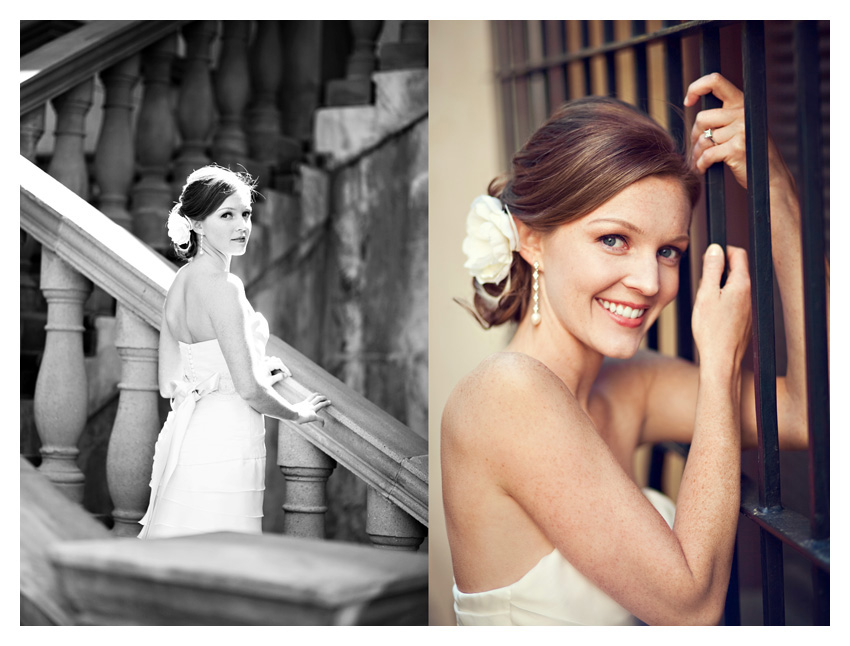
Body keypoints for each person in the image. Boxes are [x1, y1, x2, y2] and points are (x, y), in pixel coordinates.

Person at [441, 73, 826, 625]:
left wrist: (778, 195)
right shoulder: (507, 393)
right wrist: (719, 363)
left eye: (669, 251)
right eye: (614, 239)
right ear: (531, 239)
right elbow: (689, 606)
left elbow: (810, 413)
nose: (650, 282)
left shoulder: (632, 384)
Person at [139, 165, 331, 539]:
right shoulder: (225, 286)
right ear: (195, 224)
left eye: (246, 213)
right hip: (226, 443)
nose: (241, 225)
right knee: (222, 553)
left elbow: (167, 384)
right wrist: (298, 412)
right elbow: (249, 390)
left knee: (183, 547)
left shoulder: (181, 281)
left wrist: (250, 368)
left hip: (191, 437)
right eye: (226, 215)